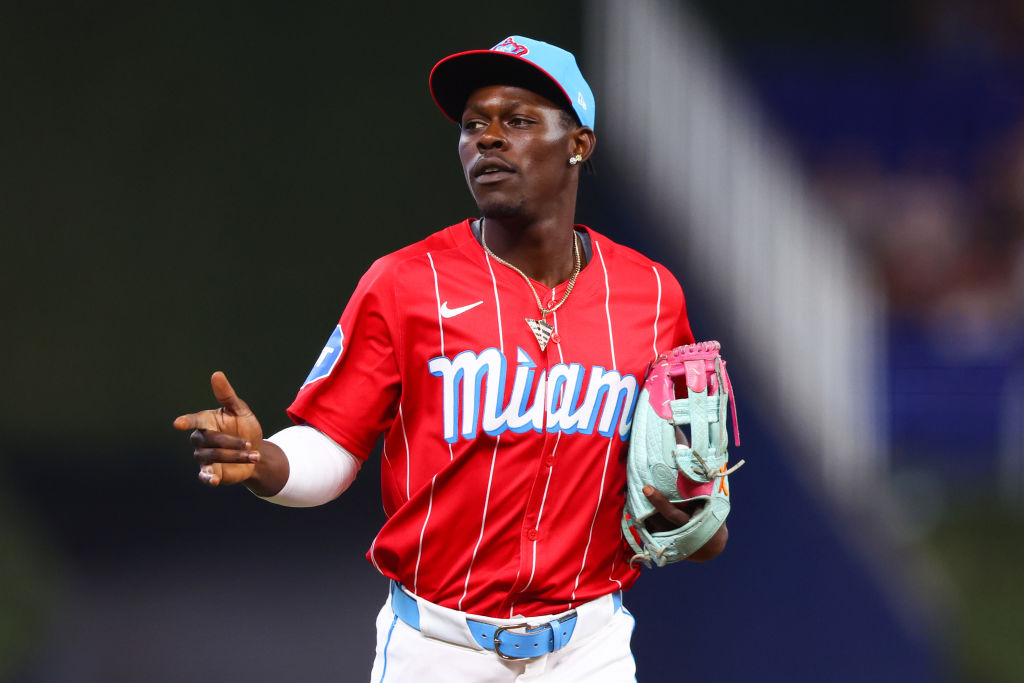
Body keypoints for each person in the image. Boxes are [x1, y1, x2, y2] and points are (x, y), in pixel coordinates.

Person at [174, 35, 727, 682]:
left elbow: (696, 501)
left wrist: (694, 509)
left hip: (589, 646)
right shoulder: (406, 282)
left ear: (579, 142)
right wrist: (264, 459)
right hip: (439, 648)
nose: (487, 139)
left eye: (517, 120)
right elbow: (333, 445)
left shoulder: (652, 295)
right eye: (472, 125)